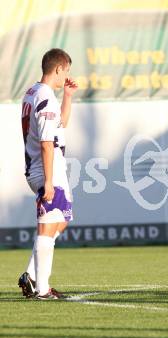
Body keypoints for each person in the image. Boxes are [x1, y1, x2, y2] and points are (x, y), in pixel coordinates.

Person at [18, 48, 78, 300]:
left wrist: (68, 96)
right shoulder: (44, 97)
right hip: (46, 170)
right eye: (66, 70)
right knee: (47, 229)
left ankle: (30, 276)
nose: (67, 75)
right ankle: (42, 289)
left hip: (47, 168)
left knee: (61, 221)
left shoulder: (34, 92)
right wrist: (49, 183)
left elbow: (59, 124)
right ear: (58, 68)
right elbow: (45, 142)